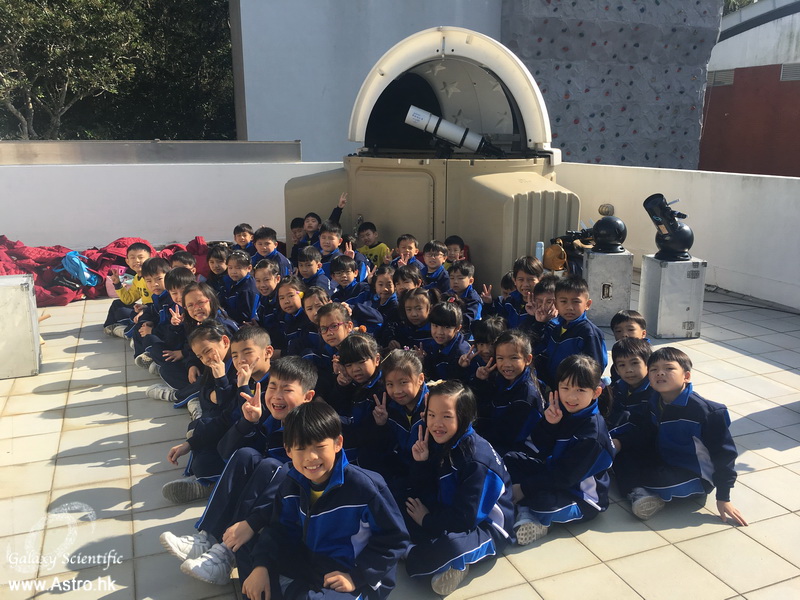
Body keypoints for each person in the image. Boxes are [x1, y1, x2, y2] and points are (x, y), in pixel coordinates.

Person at [162, 356, 316, 586]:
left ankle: (226, 553)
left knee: (271, 466)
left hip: (300, 505)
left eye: (287, 390)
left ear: (308, 397)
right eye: (272, 387)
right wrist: (247, 423)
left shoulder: (311, 430)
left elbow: (304, 479)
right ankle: (208, 538)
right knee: (246, 455)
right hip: (268, 493)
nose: (277, 396)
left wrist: (251, 522)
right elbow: (226, 453)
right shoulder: (269, 417)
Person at [241, 401, 409, 600]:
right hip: (311, 564)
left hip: (351, 574)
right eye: (300, 448)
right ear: (288, 450)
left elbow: (395, 539)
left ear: (338, 443)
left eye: (320, 447)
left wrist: (357, 576)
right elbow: (280, 529)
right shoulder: (291, 484)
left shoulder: (366, 488)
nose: (311, 457)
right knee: (250, 555)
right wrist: (261, 566)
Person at [611, 347, 747, 526]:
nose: (660, 373)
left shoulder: (707, 412)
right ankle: (639, 492)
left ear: (686, 376)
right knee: (622, 453)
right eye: (654, 369)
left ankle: (637, 491)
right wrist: (616, 441)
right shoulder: (654, 401)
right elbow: (642, 430)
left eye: (669, 368)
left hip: (694, 475)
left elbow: (725, 455)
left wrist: (723, 497)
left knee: (654, 479)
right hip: (664, 458)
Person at [404, 380, 514, 596]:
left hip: (486, 526)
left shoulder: (476, 459)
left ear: (463, 417)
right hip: (450, 509)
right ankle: (423, 549)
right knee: (400, 500)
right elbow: (422, 488)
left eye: (446, 416)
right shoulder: (438, 440)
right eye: (431, 415)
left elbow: (466, 518)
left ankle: (415, 553)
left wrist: (426, 520)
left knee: (451, 548)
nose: (436, 423)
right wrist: (421, 462)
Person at [504, 354, 615, 544]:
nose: (571, 396)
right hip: (554, 470)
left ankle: (529, 514)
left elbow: (565, 477)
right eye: (565, 388)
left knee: (541, 502)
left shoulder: (592, 435)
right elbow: (538, 446)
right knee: (510, 460)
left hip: (581, 496)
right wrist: (549, 423)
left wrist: (524, 488)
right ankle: (523, 507)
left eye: (580, 390)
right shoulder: (562, 409)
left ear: (596, 392)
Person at [473, 330, 543, 456]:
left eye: (514, 358)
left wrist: (474, 435)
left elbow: (507, 436)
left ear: (527, 359)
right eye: (500, 358)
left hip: (518, 451)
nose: (506, 364)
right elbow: (484, 406)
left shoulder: (527, 395)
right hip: (498, 437)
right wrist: (481, 382)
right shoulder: (500, 379)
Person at [531, 275, 608, 390]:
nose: (569, 307)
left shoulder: (589, 333)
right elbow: (539, 351)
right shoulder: (554, 327)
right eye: (563, 301)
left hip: (574, 390)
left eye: (576, 302)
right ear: (556, 304)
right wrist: (540, 324)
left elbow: (595, 367)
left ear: (587, 304)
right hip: (552, 387)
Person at [130, 257, 173, 368]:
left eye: (159, 279)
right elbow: (154, 311)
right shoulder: (156, 296)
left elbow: (172, 328)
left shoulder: (172, 298)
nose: (155, 284)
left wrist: (153, 330)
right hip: (162, 331)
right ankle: (143, 356)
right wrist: (148, 322)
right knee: (140, 325)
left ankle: (155, 360)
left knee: (150, 338)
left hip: (172, 338)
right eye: (149, 281)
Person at [103, 242, 153, 337]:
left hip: (153, 311)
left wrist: (145, 309)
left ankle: (125, 331)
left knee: (132, 316)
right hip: (143, 309)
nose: (137, 261)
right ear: (127, 261)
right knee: (117, 304)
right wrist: (117, 284)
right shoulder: (137, 278)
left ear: (150, 259)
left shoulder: (153, 277)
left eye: (140, 257)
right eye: (132, 258)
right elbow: (128, 299)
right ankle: (110, 327)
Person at [481, 256, 543, 328]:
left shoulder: (543, 304)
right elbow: (498, 325)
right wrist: (488, 305)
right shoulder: (510, 302)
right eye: (521, 279)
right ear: (514, 280)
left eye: (530, 279)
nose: (525, 284)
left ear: (540, 280)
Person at [605, 337, 654, 430]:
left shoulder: (654, 392)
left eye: (634, 363)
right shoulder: (616, 388)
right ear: (616, 370)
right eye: (622, 365)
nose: (629, 370)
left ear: (648, 364)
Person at [422, 299, 470, 380]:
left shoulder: (462, 352)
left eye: (446, 327)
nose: (439, 332)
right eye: (435, 326)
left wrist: (461, 367)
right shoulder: (432, 345)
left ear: (457, 328)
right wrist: (423, 360)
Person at [222, 250, 259, 325]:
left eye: (238, 268)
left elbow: (246, 316)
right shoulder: (232, 282)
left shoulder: (248, 289)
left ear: (249, 268)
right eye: (230, 268)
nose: (233, 272)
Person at [447, 260, 482, 332]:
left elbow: (469, 319)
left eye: (460, 278)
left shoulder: (473, 299)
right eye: (452, 278)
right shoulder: (449, 293)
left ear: (471, 281)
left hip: (467, 333)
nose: (455, 281)